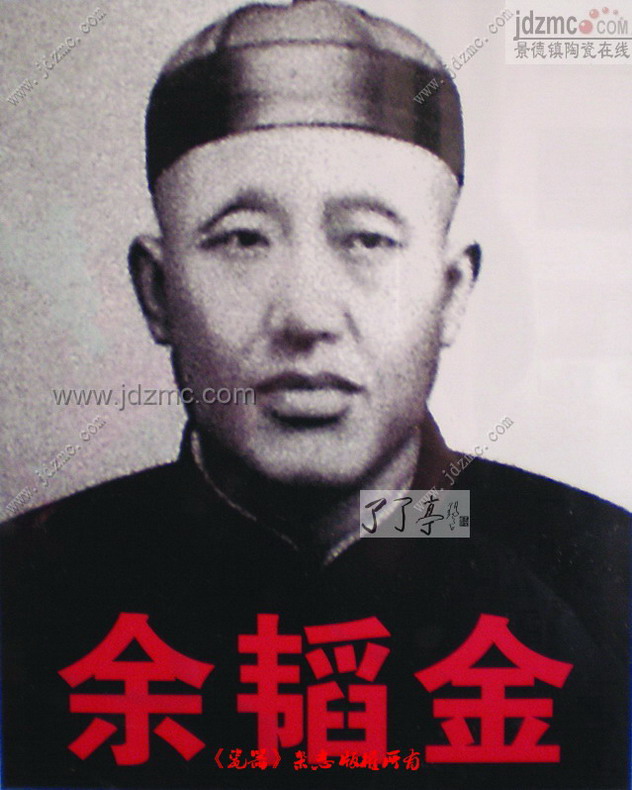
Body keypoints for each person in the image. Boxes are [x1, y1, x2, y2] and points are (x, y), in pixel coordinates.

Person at [1, 1, 629, 788]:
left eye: (367, 239)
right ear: (157, 292)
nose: (305, 316)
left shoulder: (600, 577)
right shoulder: (27, 587)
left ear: (451, 293)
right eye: (242, 239)